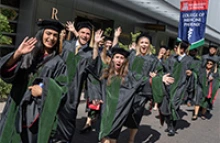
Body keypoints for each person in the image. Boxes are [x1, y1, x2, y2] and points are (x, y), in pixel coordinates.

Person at [89, 41, 174, 143]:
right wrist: (95, 96)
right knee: (106, 137)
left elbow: (144, 80)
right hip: (106, 112)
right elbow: (92, 74)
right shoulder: (104, 73)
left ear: (125, 61)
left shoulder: (130, 76)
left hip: (120, 113)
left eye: (122, 58)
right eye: (117, 57)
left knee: (112, 139)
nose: (119, 60)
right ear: (112, 59)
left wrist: (160, 80)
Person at [0, 19, 67, 143]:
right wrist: (18, 53)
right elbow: (6, 71)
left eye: (55, 35)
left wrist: (44, 91)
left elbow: (62, 90)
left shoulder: (59, 63)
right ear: (42, 34)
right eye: (48, 33)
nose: (51, 38)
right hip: (16, 105)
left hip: (35, 114)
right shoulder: (28, 53)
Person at [52, 20, 99, 142]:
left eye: (88, 34)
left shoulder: (89, 54)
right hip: (56, 88)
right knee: (52, 118)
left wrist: (95, 95)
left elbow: (93, 73)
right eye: (82, 32)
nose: (85, 35)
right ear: (78, 33)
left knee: (68, 120)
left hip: (73, 91)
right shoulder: (66, 45)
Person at [161, 41, 193, 136]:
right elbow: (164, 70)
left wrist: (191, 73)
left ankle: (172, 127)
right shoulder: (171, 58)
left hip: (180, 86)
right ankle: (169, 124)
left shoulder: (189, 59)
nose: (180, 49)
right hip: (169, 86)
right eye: (178, 47)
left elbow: (195, 72)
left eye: (183, 47)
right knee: (167, 107)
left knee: (174, 106)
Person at [192, 56, 219, 120]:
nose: (209, 65)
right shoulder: (201, 69)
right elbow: (196, 74)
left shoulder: (215, 72)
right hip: (200, 86)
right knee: (198, 99)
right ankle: (195, 114)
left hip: (208, 88)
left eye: (211, 64)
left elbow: (217, 81)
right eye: (208, 63)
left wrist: (213, 78)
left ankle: (203, 114)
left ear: (213, 65)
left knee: (205, 101)